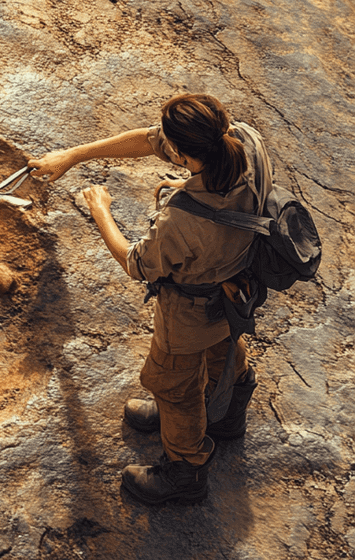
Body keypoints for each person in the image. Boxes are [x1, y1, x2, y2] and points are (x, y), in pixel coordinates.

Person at [28, 93, 273, 505]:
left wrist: (100, 209)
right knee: (224, 343)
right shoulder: (247, 141)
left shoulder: (181, 220)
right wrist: (72, 155)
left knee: (171, 384)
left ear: (180, 153)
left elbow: (136, 262)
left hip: (189, 312)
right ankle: (228, 413)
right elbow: (148, 139)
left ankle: (185, 472)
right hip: (237, 290)